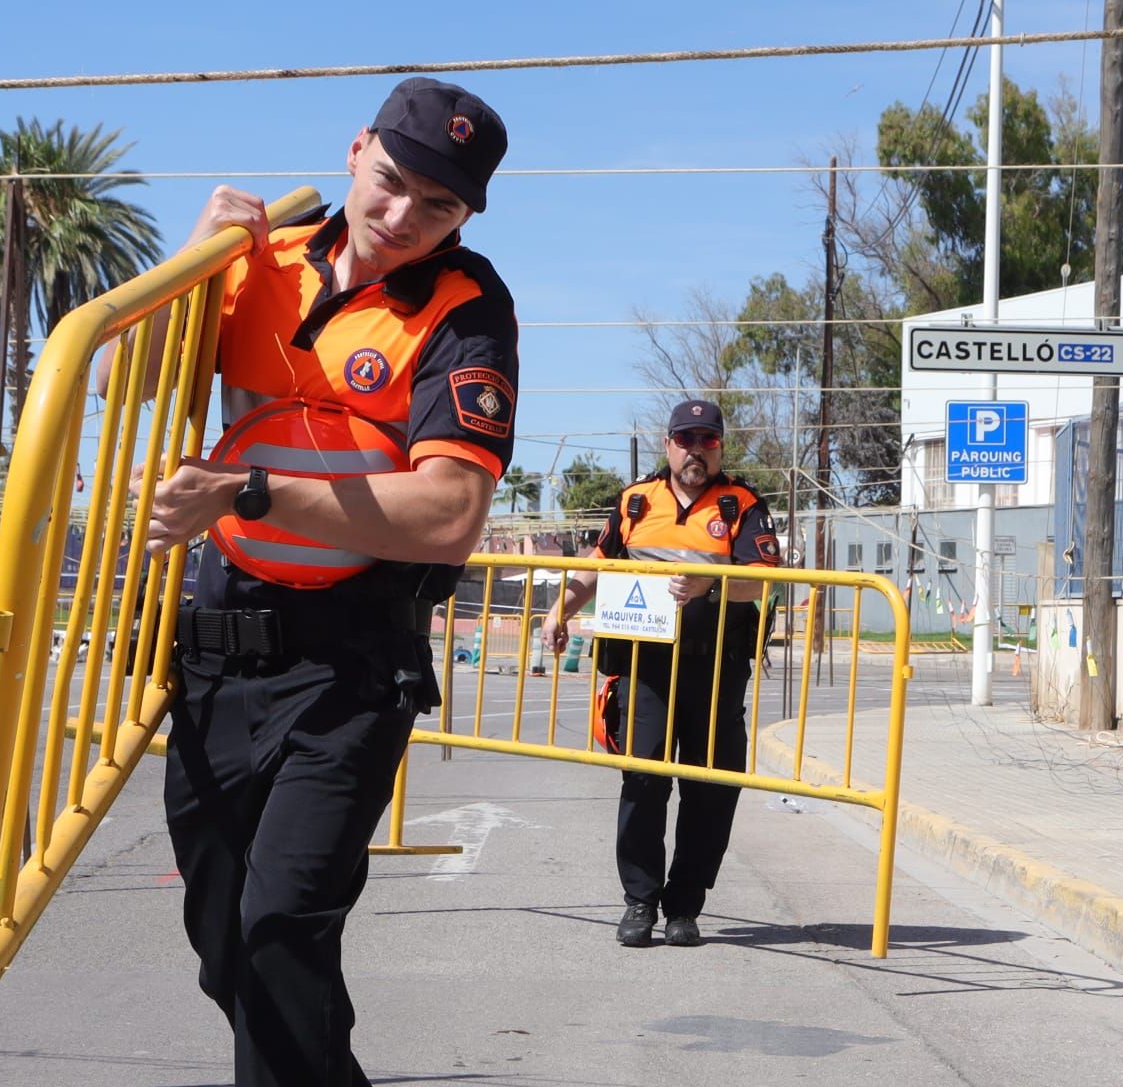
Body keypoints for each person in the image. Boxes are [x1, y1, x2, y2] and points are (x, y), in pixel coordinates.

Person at [110, 78, 518, 1086]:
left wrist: (244, 491)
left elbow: (450, 511)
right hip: (217, 662)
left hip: (348, 671)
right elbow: (126, 383)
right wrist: (188, 268)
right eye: (391, 184)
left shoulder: (466, 310)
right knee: (230, 950)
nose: (402, 218)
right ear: (355, 150)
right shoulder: (259, 262)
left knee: (280, 927)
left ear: (466, 216)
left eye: (439, 206)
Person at [540, 399, 781, 947]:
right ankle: (640, 902)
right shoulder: (634, 502)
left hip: (715, 668)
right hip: (645, 668)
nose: (697, 449)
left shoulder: (742, 504)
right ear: (668, 444)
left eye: (708, 440)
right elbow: (597, 567)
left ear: (720, 446)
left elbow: (765, 578)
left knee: (710, 789)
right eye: (686, 438)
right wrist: (560, 611)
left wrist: (709, 583)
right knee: (643, 781)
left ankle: (685, 907)